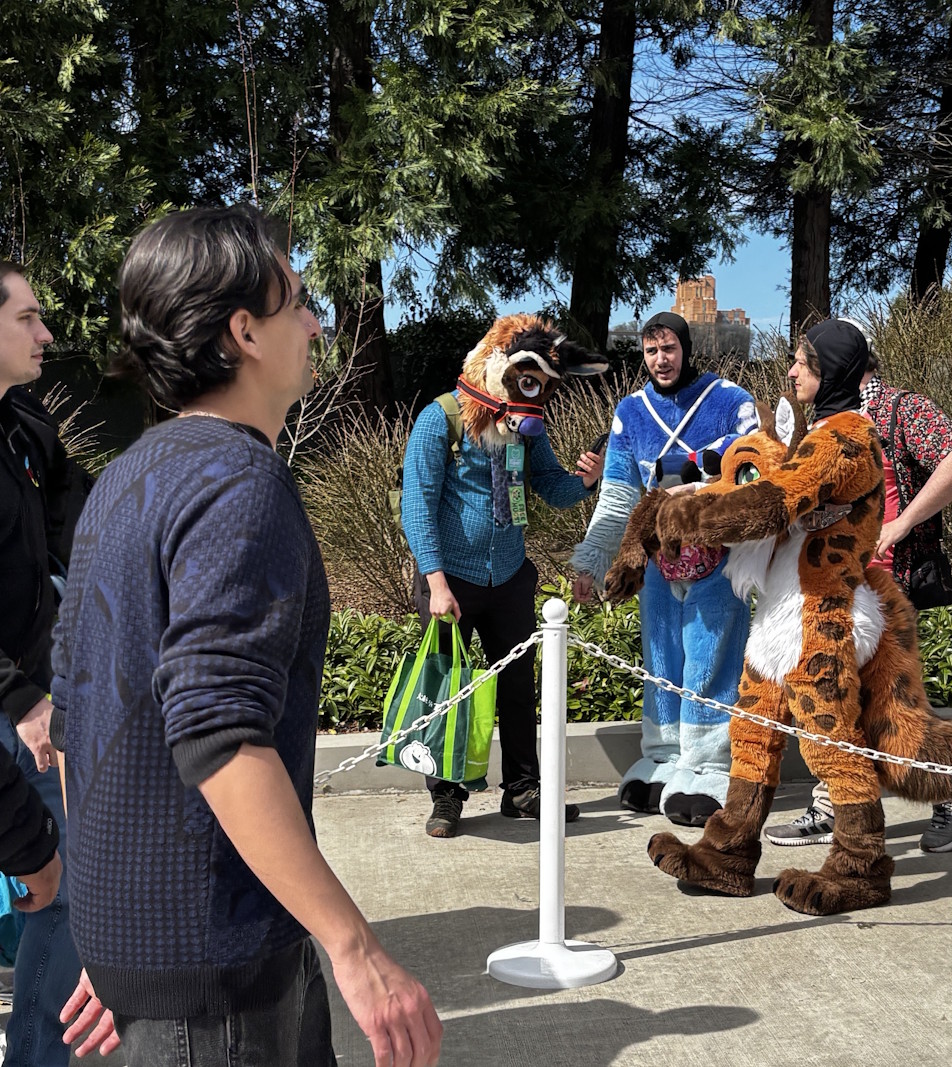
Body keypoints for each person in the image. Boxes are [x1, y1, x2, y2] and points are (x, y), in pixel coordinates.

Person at [54, 205, 441, 1065]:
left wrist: (105, 930)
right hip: (217, 974)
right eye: (298, 300)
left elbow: (79, 715)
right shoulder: (241, 483)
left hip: (155, 962)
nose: (314, 322)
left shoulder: (123, 480)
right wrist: (357, 948)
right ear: (244, 332)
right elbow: (218, 730)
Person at [765, 322, 952, 854]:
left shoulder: (899, 410)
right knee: (832, 696)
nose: (791, 371)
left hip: (890, 583)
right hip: (832, 586)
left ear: (834, 366)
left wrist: (901, 523)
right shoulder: (815, 424)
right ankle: (834, 800)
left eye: (802, 360)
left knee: (896, 704)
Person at [400, 314, 605, 837]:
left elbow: (552, 489)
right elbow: (416, 507)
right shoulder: (439, 420)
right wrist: (437, 584)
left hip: (510, 575)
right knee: (445, 693)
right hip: (452, 582)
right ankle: (446, 797)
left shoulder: (525, 428)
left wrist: (588, 481)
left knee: (517, 688)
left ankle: (522, 789)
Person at [570, 311, 758, 826]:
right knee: (661, 660)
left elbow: (756, 470)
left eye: (669, 348)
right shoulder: (630, 412)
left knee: (711, 659)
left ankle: (710, 764)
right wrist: (591, 561)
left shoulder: (730, 401)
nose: (661, 359)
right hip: (656, 565)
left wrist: (696, 483)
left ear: (686, 348)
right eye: (651, 350)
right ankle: (663, 756)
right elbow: (616, 497)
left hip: (717, 563)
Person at [0, 259, 84, 1066]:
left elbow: (70, 505)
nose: (45, 332)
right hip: (16, 706)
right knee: (50, 878)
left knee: (53, 884)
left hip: (30, 692)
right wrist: (24, 698)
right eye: (26, 316)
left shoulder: (23, 421)